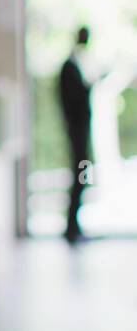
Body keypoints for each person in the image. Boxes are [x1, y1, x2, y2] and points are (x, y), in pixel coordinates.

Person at [59, 26, 92, 244]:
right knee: (80, 174)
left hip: (80, 130)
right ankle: (71, 226)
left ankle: (74, 225)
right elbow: (74, 100)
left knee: (82, 174)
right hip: (77, 131)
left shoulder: (74, 66)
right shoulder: (69, 68)